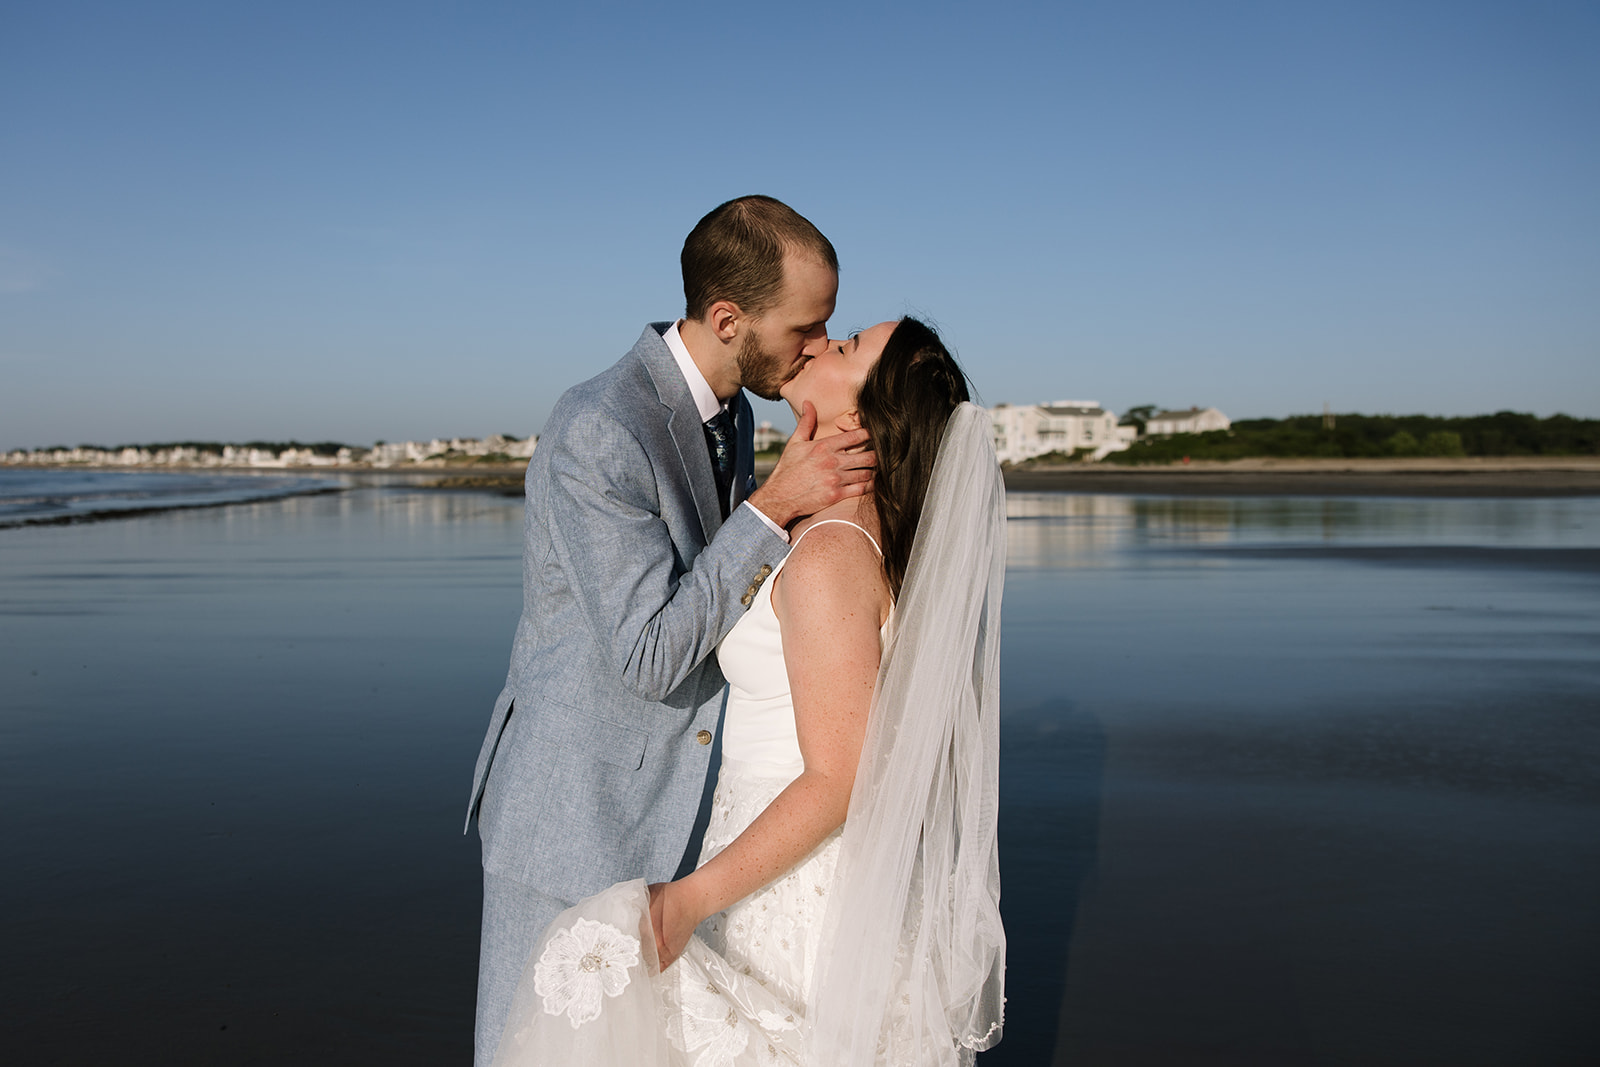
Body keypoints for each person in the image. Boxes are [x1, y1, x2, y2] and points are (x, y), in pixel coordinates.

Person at [492, 318, 1007, 1066]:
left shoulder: (832, 548)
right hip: (772, 858)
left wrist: (689, 898)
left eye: (848, 346)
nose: (823, 344)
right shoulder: (825, 522)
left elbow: (839, 777)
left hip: (799, 894)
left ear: (864, 416)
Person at [464, 196, 877, 1067]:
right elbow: (649, 653)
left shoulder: (739, 416)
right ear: (728, 319)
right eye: (807, 324)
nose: (817, 343)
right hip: (574, 819)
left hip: (682, 820)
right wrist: (774, 507)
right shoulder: (600, 428)